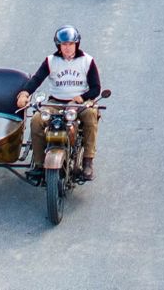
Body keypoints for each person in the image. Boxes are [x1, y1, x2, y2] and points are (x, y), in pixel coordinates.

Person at [17, 26, 102, 182]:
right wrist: (25, 93)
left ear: (77, 44)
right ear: (59, 46)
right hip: (55, 102)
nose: (67, 48)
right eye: (64, 45)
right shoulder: (51, 61)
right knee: (36, 120)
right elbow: (36, 79)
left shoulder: (87, 61)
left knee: (91, 115)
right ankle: (39, 163)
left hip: (79, 103)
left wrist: (82, 97)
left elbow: (96, 88)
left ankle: (88, 162)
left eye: (70, 44)